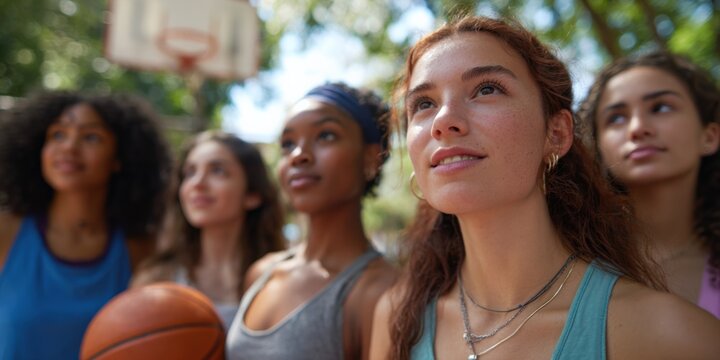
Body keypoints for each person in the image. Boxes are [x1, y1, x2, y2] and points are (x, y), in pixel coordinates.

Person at [369, 16, 720, 360]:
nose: (443, 121)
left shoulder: (669, 335)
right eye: (424, 104)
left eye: (487, 88)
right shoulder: (398, 318)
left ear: (557, 134)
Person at [225, 82, 399, 360]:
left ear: (370, 158)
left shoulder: (381, 292)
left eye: (326, 135)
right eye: (288, 144)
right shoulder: (261, 273)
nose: (299, 155)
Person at [0, 91, 172, 359]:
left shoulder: (140, 247)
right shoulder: (6, 232)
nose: (69, 146)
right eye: (57, 134)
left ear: (120, 157)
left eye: (91, 137)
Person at [577, 51, 720, 317]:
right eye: (616, 118)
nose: (638, 128)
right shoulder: (572, 261)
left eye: (661, 107)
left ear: (709, 136)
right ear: (599, 148)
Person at [132, 130, 286, 329]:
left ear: (252, 195)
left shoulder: (279, 282)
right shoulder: (156, 278)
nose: (198, 183)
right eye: (190, 173)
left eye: (217, 171)